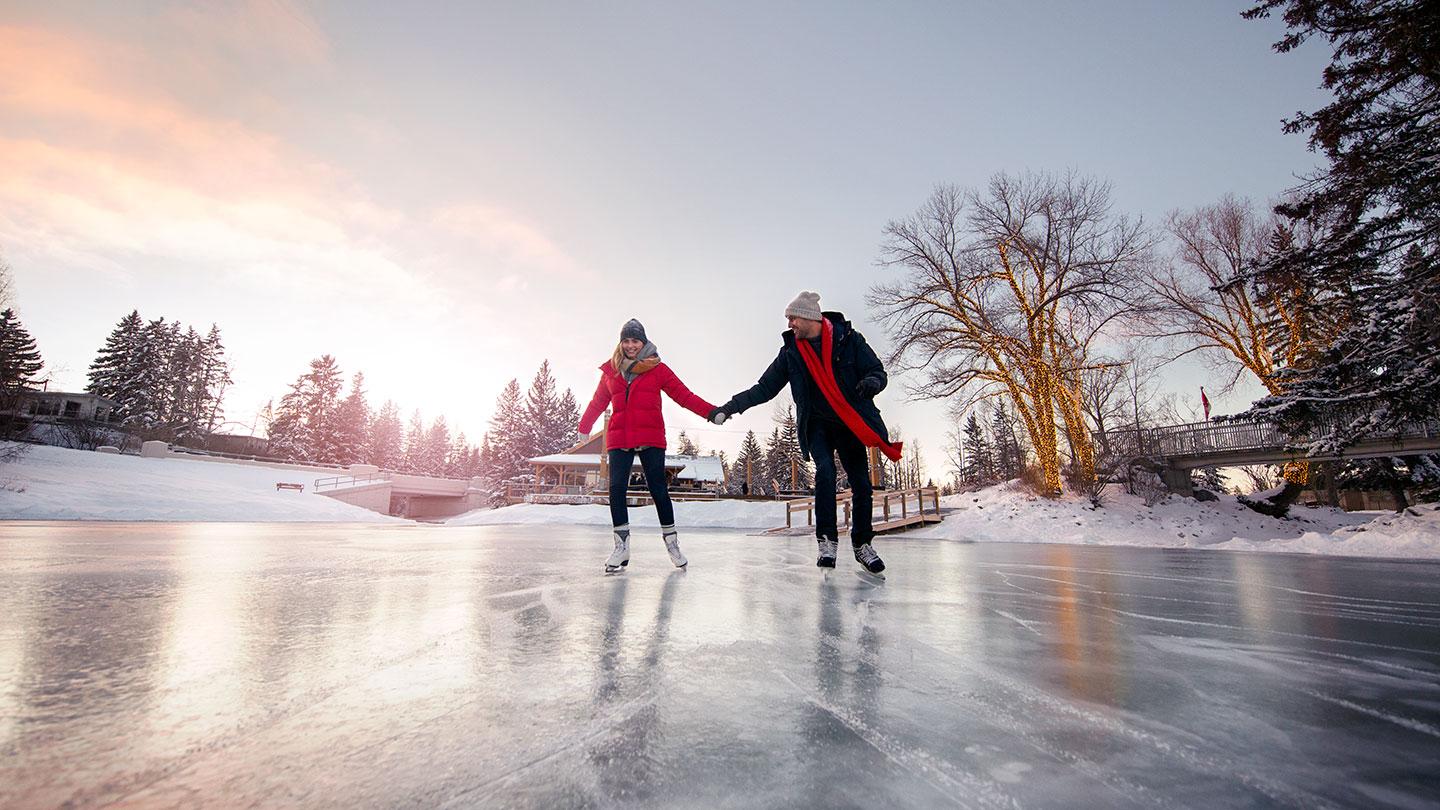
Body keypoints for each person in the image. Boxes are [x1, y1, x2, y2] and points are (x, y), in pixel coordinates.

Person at [710, 292, 901, 574]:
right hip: (817, 424)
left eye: (793, 317)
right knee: (825, 471)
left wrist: (872, 381)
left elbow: (877, 370)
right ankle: (827, 541)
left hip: (849, 420)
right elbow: (764, 388)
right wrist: (729, 408)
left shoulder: (849, 340)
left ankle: (862, 544)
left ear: (810, 317)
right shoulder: (791, 353)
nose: (790, 324)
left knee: (862, 483)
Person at [579, 319, 717, 573]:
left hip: (651, 436)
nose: (631, 346)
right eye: (626, 341)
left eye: (635, 341)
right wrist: (584, 426)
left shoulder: (658, 369)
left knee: (658, 489)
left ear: (643, 342)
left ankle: (672, 544)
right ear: (621, 343)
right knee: (617, 489)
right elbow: (598, 401)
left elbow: (683, 396)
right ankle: (621, 547)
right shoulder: (611, 370)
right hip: (619, 438)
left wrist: (711, 413)